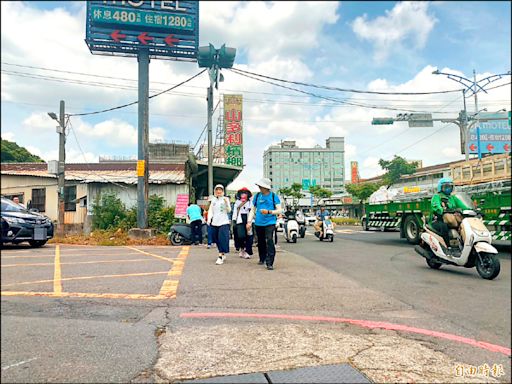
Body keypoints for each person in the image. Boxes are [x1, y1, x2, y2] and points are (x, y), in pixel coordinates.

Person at [247, 178, 283, 270]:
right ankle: (262, 258)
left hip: (270, 222)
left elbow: (279, 210)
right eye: (259, 186)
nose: (259, 188)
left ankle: (270, 262)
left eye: (261, 186)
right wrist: (249, 221)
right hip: (258, 223)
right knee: (261, 241)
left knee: (269, 240)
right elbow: (252, 210)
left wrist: (268, 212)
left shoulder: (274, 196)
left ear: (266, 187)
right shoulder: (257, 196)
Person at [430, 177, 470, 249]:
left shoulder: (453, 198)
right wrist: (442, 210)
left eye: (450, 187)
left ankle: (464, 246)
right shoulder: (437, 197)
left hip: (451, 220)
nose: (448, 188)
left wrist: (472, 210)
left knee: (464, 226)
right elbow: (436, 207)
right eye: (446, 187)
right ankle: (447, 246)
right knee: (444, 226)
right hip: (438, 220)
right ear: (440, 187)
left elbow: (463, 206)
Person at [207, 184, 231, 265]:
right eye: (217, 190)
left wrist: (226, 204)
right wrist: (209, 219)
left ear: (223, 191)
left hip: (224, 222)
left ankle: (220, 256)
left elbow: (229, 210)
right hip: (215, 222)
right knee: (216, 239)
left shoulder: (225, 199)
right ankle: (222, 253)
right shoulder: (213, 200)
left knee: (222, 239)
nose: (218, 191)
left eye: (220, 190)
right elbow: (211, 210)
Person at [232, 187, 254, 259]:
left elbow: (252, 211)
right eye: (242, 193)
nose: (244, 194)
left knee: (249, 236)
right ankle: (242, 248)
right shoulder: (237, 202)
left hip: (248, 220)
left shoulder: (251, 202)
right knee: (241, 236)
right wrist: (234, 220)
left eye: (245, 193)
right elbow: (235, 211)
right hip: (240, 220)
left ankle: (246, 251)